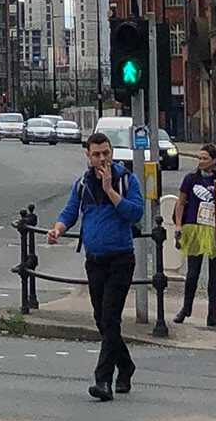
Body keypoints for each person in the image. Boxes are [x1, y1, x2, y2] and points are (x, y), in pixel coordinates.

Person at [47, 132, 145, 401]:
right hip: (95, 260)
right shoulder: (82, 184)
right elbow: (70, 212)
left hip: (121, 258)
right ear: (88, 156)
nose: (102, 159)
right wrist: (57, 229)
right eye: (97, 154)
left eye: (106, 153)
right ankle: (125, 365)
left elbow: (136, 213)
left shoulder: (127, 179)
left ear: (112, 153)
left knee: (111, 317)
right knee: (102, 319)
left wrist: (110, 191)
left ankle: (103, 381)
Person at [173, 144, 216, 329]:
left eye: (205, 158)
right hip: (195, 228)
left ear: (214, 161)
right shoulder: (190, 179)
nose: (201, 161)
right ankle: (186, 308)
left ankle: (213, 314)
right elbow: (181, 203)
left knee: (215, 275)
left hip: (214, 230)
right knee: (193, 273)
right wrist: (178, 225)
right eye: (199, 158)